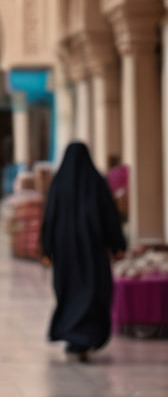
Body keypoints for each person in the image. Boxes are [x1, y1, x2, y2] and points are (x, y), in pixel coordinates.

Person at [42, 141, 126, 361]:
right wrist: (118, 245)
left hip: (64, 253)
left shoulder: (59, 183)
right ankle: (86, 338)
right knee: (93, 292)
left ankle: (73, 336)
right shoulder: (96, 182)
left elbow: (49, 217)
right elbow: (110, 217)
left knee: (69, 292)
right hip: (93, 251)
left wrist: (46, 249)